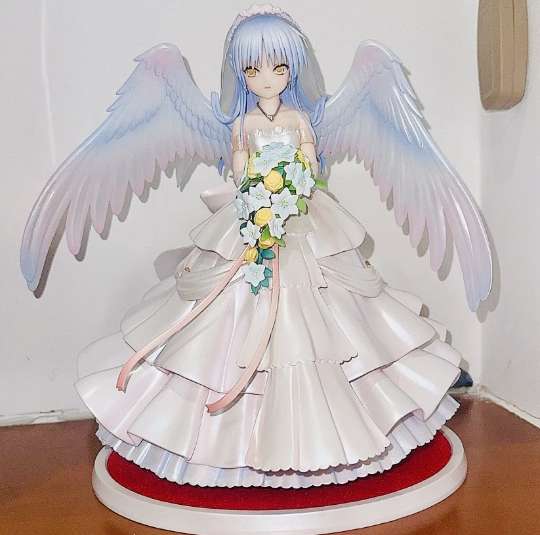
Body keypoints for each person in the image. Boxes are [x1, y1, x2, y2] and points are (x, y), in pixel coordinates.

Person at [22, 5, 491, 488]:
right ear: (241, 73)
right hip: (253, 210)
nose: (267, 79)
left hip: (299, 212)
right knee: (232, 311)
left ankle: (334, 431)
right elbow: (239, 161)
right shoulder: (242, 122)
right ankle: (225, 445)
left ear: (293, 70)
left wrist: (293, 179)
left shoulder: (299, 117)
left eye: (278, 67)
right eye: (254, 69)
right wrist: (257, 186)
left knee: (328, 313)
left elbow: (309, 156)